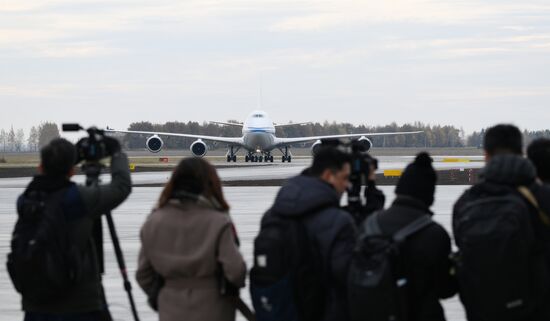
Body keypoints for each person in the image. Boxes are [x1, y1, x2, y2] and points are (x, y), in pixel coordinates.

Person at [9, 137, 131, 321]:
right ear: (72, 170)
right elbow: (121, 187)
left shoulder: (26, 200)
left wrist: (66, 158)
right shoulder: (78, 198)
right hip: (78, 306)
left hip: (36, 304)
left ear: (41, 167)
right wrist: (117, 153)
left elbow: (52, 175)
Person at [453, 124, 550, 321]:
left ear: (486, 154)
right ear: (521, 152)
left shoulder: (465, 203)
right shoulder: (542, 197)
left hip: (483, 311)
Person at [136, 158, 246, 321]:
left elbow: (143, 274)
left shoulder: (153, 222)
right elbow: (236, 271)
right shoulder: (218, 221)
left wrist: (165, 294)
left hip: (170, 308)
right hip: (214, 308)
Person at [253, 146, 356, 321]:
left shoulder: (273, 214)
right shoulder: (338, 221)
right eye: (345, 178)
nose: (347, 186)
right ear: (328, 175)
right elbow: (350, 279)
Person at [357, 152, 456, 321]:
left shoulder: (370, 224)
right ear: (429, 195)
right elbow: (445, 290)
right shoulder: (435, 234)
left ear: (400, 188)